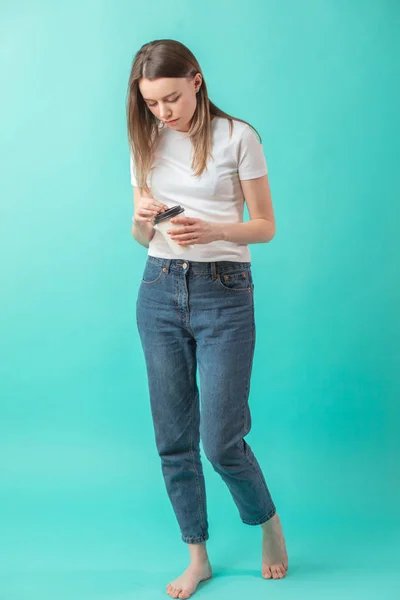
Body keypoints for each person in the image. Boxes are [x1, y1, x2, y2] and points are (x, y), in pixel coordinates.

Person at [126, 39, 288, 599]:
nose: (164, 112)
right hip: (159, 289)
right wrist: (143, 219)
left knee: (221, 439)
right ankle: (197, 556)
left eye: (171, 97)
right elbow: (139, 235)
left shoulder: (239, 137)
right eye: (152, 103)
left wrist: (217, 230)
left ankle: (267, 523)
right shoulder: (145, 139)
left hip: (224, 293)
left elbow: (264, 225)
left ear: (196, 80)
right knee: (173, 437)